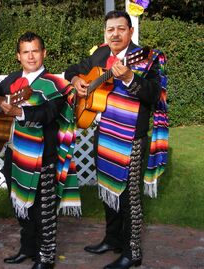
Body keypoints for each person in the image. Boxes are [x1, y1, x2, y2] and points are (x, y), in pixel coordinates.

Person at [65, 10, 168, 269]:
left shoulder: (147, 59)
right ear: (105, 33)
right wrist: (78, 79)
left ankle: (132, 252)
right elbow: (72, 70)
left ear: (130, 32)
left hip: (131, 136)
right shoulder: (100, 55)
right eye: (110, 29)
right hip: (105, 135)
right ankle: (112, 240)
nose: (115, 34)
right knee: (108, 190)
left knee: (129, 197)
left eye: (121, 29)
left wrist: (130, 78)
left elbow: (154, 95)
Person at [0, 31, 81, 269]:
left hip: (43, 155)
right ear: (18, 56)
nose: (31, 56)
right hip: (15, 153)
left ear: (43, 53)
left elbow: (49, 114)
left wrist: (21, 113)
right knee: (19, 204)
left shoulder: (55, 84)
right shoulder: (14, 78)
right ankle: (27, 248)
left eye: (35, 51)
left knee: (43, 211)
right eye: (25, 52)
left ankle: (45, 257)